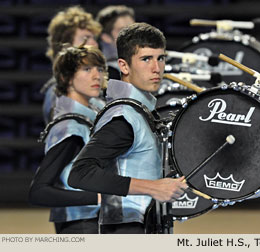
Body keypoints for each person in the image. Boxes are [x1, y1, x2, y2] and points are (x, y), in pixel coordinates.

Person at [68, 23, 188, 234]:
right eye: (146, 59)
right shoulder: (123, 117)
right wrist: (154, 187)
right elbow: (80, 174)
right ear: (124, 66)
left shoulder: (141, 111)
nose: (156, 68)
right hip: (128, 230)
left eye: (160, 58)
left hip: (147, 227)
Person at [29, 44, 108, 234]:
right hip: (81, 224)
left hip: (94, 221)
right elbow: (39, 191)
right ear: (66, 78)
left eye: (99, 69)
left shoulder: (92, 112)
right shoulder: (71, 127)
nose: (97, 75)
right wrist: (100, 198)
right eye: (87, 69)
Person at [41, 6, 103, 124]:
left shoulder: (89, 87)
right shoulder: (58, 92)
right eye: (86, 38)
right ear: (66, 45)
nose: (94, 44)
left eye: (94, 39)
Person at [96, 5, 135, 80]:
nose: (132, 34)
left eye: (134, 27)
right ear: (106, 37)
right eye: (123, 30)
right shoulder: (105, 72)